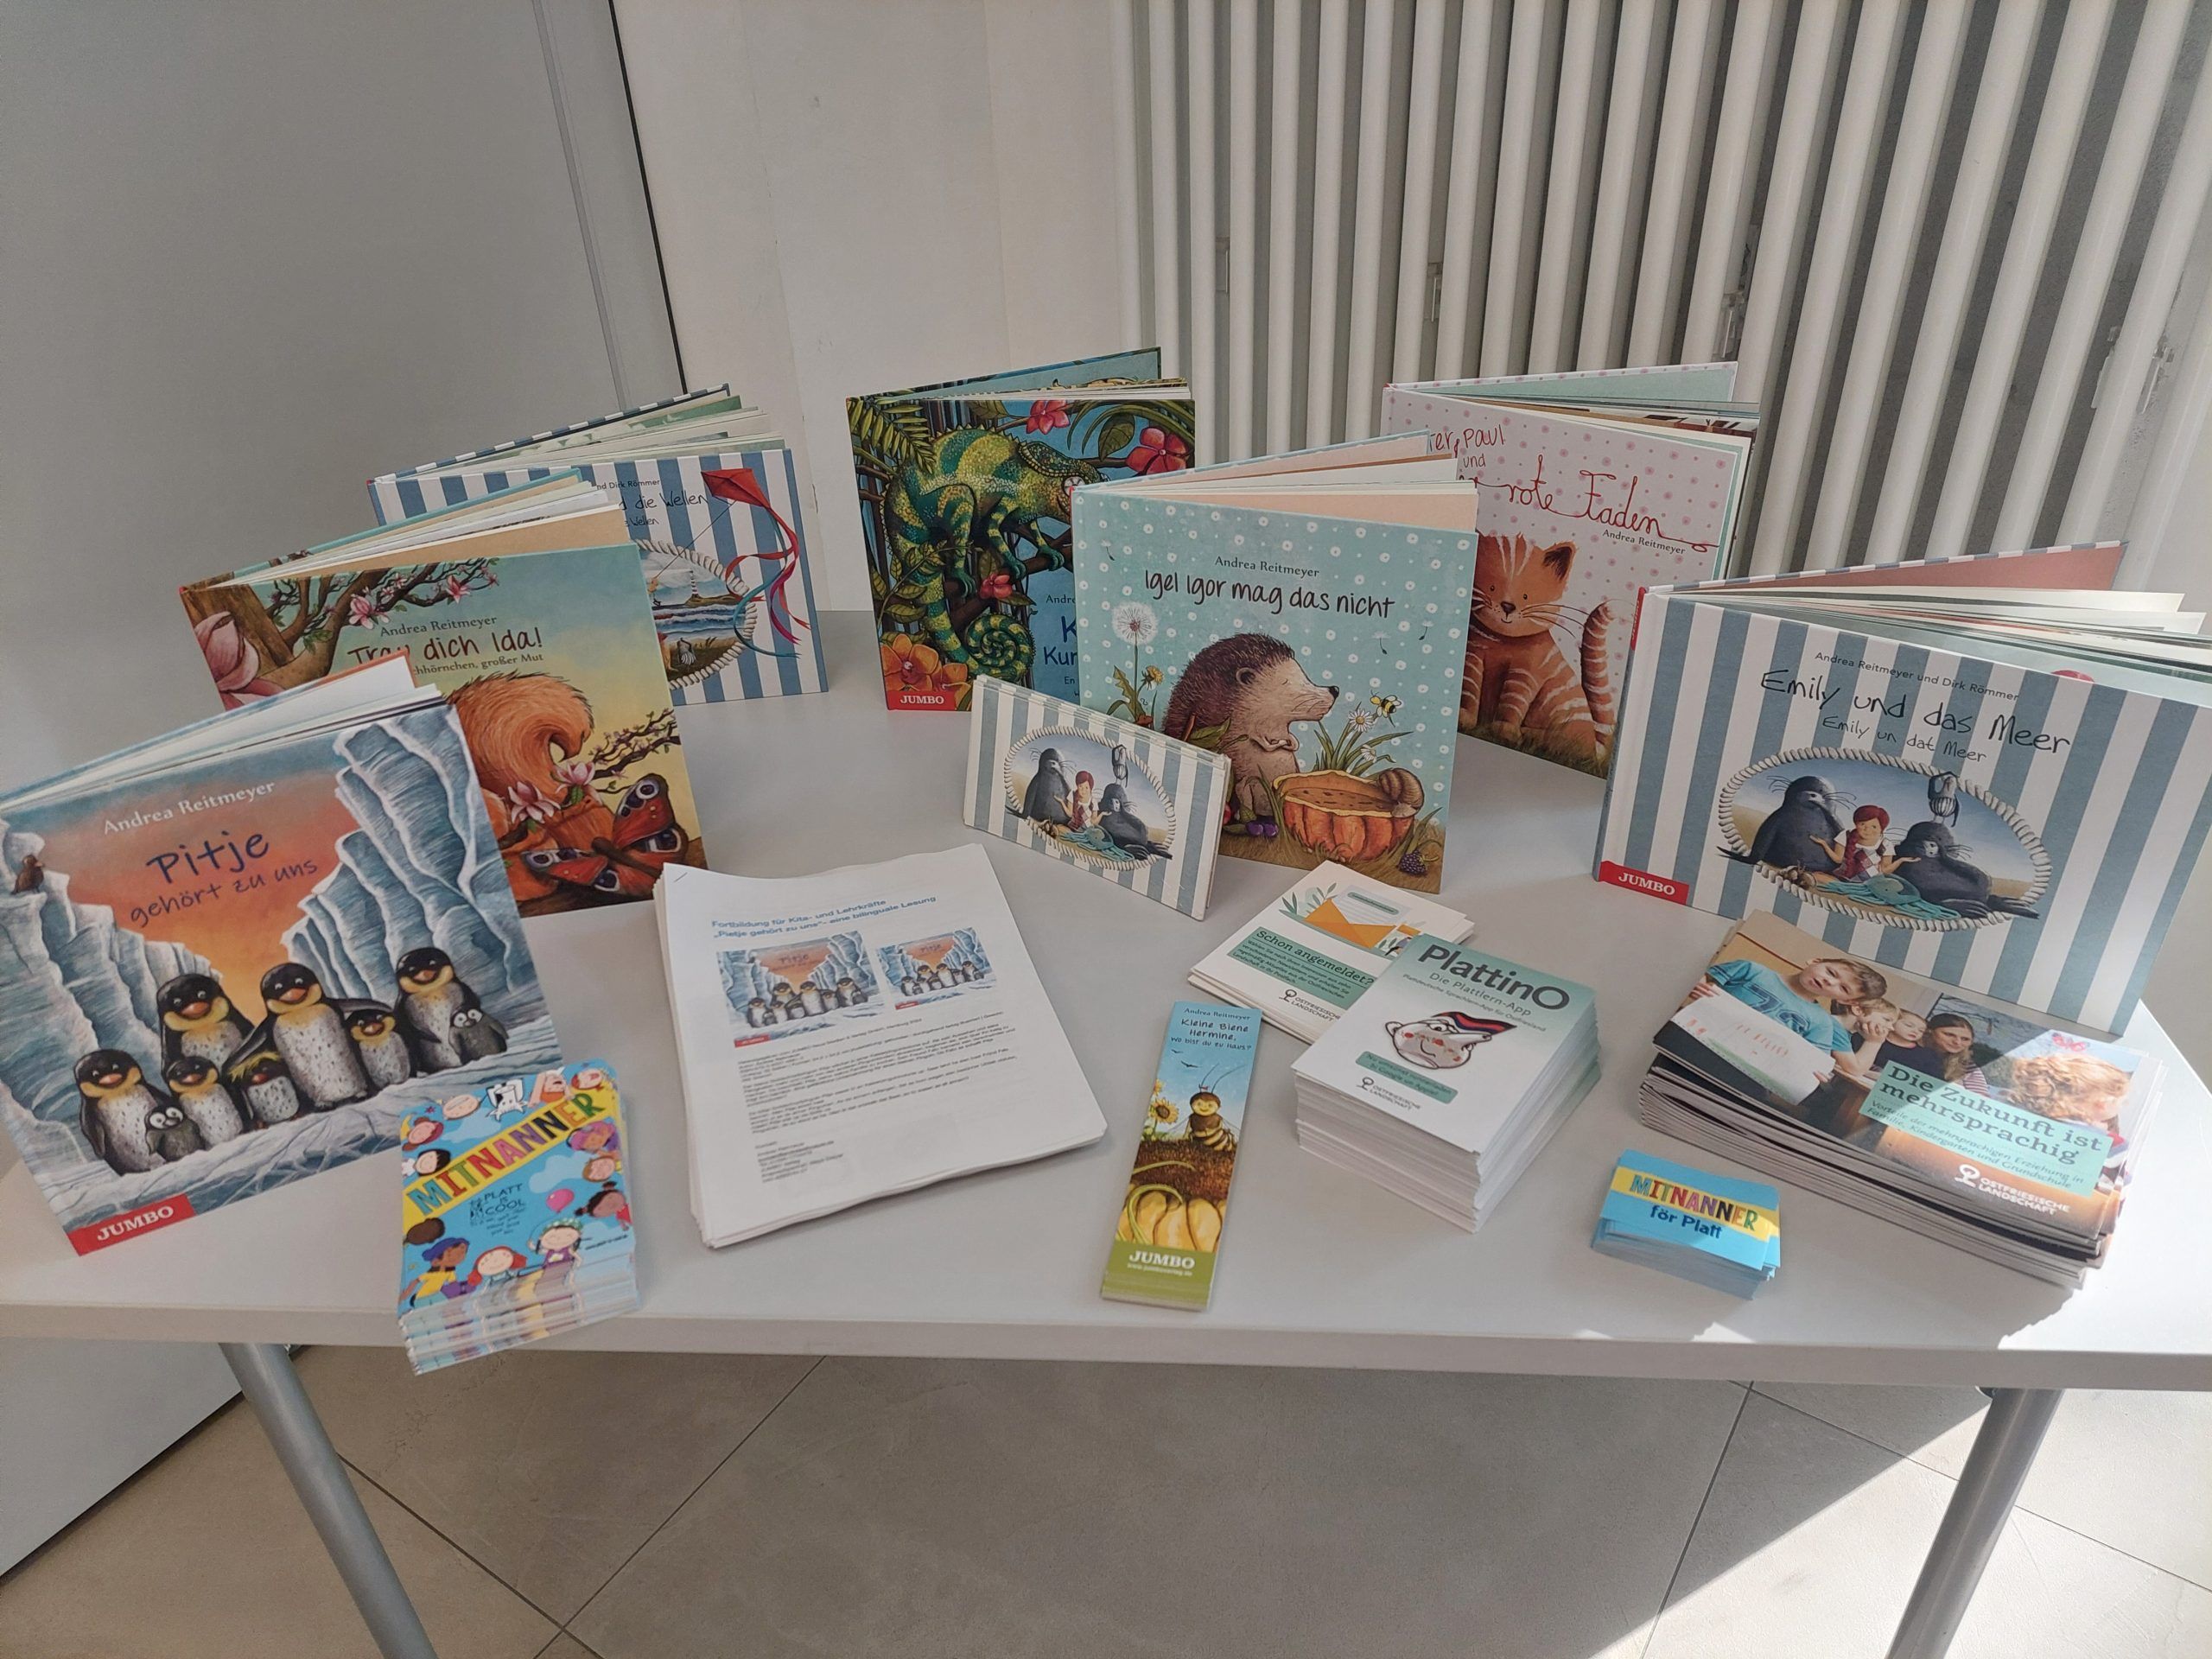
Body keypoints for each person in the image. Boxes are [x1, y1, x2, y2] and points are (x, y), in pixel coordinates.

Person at [1690, 950, 1889, 1079]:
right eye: (1831, 972)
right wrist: (1699, 988)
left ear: (1847, 1001)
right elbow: (1699, 979)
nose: (1830, 981)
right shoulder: (1751, 970)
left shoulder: (1822, 1023)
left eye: (1843, 988)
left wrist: (1814, 1075)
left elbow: (1813, 1063)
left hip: (1746, 1072)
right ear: (1815, 961)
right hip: (1696, 1041)